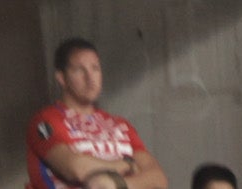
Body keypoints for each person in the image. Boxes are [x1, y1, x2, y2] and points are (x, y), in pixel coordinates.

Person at [28, 40, 164, 189]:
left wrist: (118, 185)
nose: (90, 77)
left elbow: (158, 179)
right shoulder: (45, 121)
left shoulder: (121, 125)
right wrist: (127, 164)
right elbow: (76, 168)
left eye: (95, 68)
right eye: (79, 70)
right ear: (61, 78)